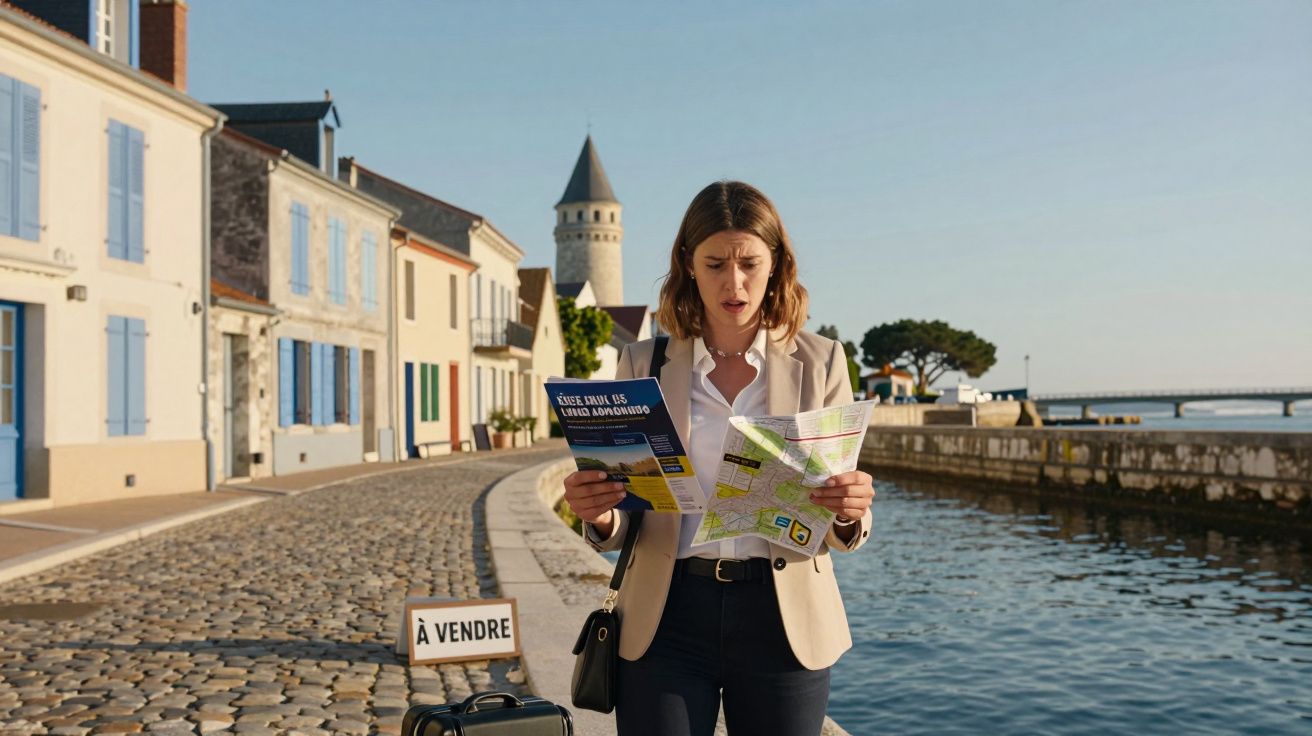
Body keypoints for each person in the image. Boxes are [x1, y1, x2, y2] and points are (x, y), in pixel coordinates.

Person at [562, 181, 876, 736]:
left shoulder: (823, 360)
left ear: (776, 263)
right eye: (714, 264)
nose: (734, 282)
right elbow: (626, 512)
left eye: (750, 263)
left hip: (784, 618)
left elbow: (837, 507)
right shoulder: (642, 362)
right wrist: (600, 512)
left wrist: (850, 510)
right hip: (666, 615)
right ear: (688, 264)